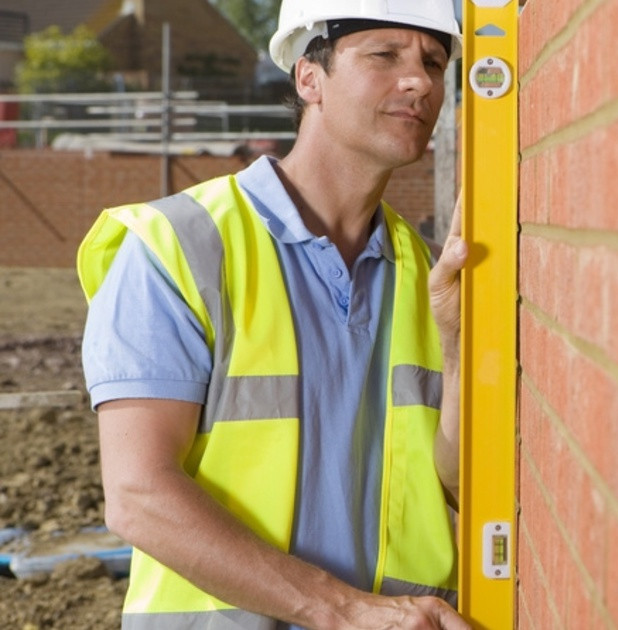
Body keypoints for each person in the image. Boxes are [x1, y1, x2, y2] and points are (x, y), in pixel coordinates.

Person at [76, 1, 471, 628]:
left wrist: (455, 342)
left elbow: (454, 487)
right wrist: (342, 610)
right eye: (384, 55)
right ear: (308, 77)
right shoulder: (179, 246)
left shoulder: (427, 274)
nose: (420, 80)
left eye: (433, 61)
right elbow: (139, 495)